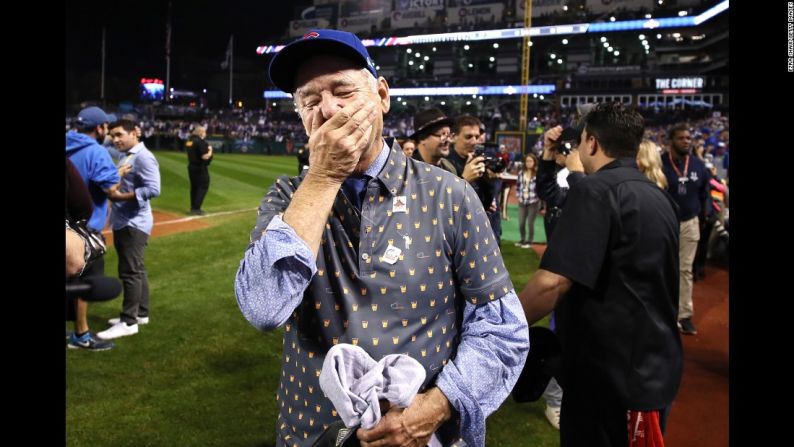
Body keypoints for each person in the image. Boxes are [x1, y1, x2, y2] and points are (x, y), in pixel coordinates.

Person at [234, 29, 528, 447]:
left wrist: (439, 405)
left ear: (383, 96)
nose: (328, 110)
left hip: (424, 436)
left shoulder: (449, 194)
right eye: (310, 101)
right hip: (311, 434)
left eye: (343, 91)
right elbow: (263, 307)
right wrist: (322, 177)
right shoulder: (287, 198)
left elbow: (502, 328)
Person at [518, 103, 683, 446]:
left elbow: (552, 283)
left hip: (608, 379)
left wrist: (502, 325)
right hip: (652, 369)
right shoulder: (659, 196)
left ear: (591, 143)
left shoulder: (595, 190)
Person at [65, 106, 129, 351]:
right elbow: (110, 189)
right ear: (99, 128)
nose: (108, 131)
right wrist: (118, 173)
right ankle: (81, 335)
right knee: (84, 280)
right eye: (106, 126)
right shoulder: (97, 151)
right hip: (84, 227)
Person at [97, 119, 161, 340]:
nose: (115, 140)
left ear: (135, 133)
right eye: (112, 135)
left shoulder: (143, 156)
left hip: (133, 222)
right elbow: (105, 145)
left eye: (119, 135)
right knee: (137, 269)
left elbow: (154, 188)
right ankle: (141, 313)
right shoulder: (129, 153)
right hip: (127, 220)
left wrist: (119, 196)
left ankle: (128, 321)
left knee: (130, 272)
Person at [661, 124, 710, 336]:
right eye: (681, 138)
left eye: (689, 138)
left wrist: (704, 215)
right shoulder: (660, 164)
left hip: (690, 223)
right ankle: (663, 312)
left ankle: (684, 315)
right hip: (664, 224)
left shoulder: (699, 165)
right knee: (662, 268)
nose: (686, 141)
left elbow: (705, 193)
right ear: (671, 141)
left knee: (685, 269)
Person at [446, 115, 502, 244]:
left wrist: (488, 180)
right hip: (455, 236)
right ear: (453, 137)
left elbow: (486, 203)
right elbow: (444, 204)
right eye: (468, 137)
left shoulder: (477, 160)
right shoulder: (445, 163)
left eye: (477, 137)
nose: (474, 141)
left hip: (478, 231)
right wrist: (465, 179)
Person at [409, 108, 456, 174]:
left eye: (448, 135)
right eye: (442, 135)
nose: (448, 140)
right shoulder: (408, 172)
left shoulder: (450, 167)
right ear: (422, 138)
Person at [185, 124, 213, 215]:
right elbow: (205, 157)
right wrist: (210, 150)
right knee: (203, 186)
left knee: (194, 187)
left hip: (191, 167)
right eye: (204, 132)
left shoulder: (189, 141)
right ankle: (196, 208)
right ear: (201, 132)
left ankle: (193, 207)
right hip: (200, 168)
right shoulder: (200, 142)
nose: (205, 134)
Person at [514, 153, 540, 248]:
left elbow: (540, 188)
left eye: (531, 161)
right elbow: (517, 186)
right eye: (527, 161)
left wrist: (537, 197)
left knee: (530, 222)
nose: (529, 163)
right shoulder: (521, 173)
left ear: (534, 162)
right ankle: (522, 239)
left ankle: (529, 241)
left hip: (533, 202)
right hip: (522, 201)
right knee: (521, 223)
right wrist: (518, 196)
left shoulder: (537, 173)